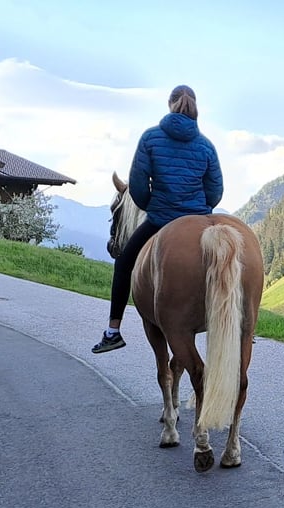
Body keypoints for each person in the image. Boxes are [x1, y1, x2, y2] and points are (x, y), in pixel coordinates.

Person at [92, 84, 224, 353]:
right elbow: (215, 190)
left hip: (161, 219)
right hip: (198, 219)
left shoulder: (150, 138)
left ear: (169, 104)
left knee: (124, 263)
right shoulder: (206, 146)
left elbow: (138, 186)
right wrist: (199, 209)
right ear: (196, 106)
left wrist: (155, 205)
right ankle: (242, 318)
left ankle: (113, 331)